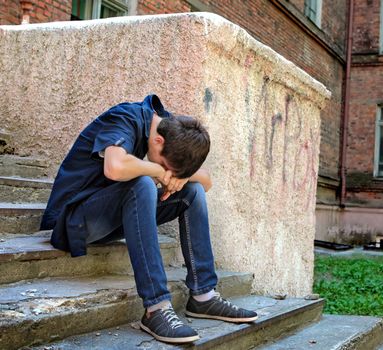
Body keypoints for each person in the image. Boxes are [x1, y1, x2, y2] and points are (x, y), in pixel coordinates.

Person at [40, 95, 258, 344]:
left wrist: (183, 178)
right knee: (142, 183)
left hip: (113, 217)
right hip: (73, 222)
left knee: (193, 191)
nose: (166, 174)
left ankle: (203, 296)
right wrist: (157, 170)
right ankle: (156, 307)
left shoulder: (171, 128)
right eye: (166, 165)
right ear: (158, 141)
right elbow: (115, 167)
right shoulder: (123, 118)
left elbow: (206, 181)